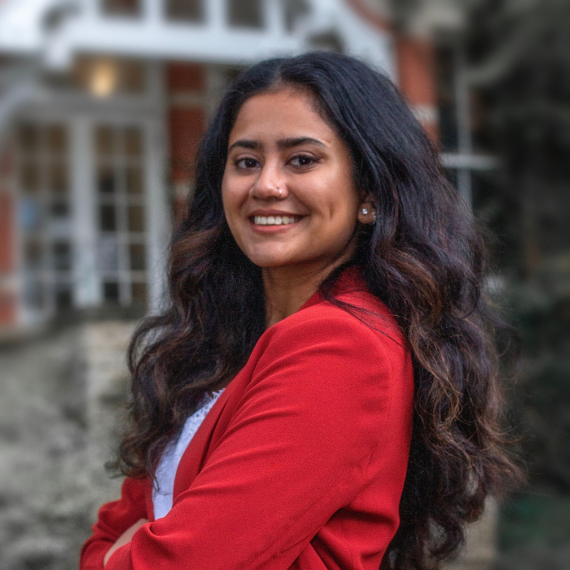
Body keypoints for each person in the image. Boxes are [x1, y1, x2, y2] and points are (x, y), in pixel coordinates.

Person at [80, 52, 520, 570]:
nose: (266, 185)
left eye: (302, 160)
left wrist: (124, 552)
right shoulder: (228, 342)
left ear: (369, 193)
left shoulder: (342, 344)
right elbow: (111, 529)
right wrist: (123, 550)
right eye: (246, 161)